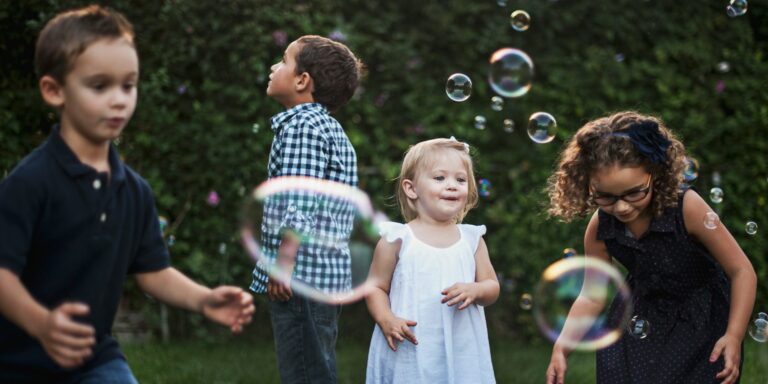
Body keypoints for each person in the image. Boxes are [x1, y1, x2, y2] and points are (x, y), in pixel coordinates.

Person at [0, 6, 254, 383]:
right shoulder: (31, 183)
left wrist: (203, 299)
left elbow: (153, 271)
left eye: (128, 85)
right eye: (100, 86)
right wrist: (42, 324)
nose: (119, 99)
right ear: (54, 91)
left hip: (95, 360)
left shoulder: (133, 190)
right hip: (18, 363)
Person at [544, 111, 757, 384]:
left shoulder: (686, 208)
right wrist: (562, 346)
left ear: (655, 174)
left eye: (634, 192)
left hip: (699, 319)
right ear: (587, 186)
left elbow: (741, 270)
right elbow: (591, 296)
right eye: (605, 196)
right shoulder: (600, 228)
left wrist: (734, 335)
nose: (621, 207)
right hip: (639, 317)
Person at [249, 35, 364, 383]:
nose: (273, 67)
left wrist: (283, 262)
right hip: (321, 275)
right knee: (316, 366)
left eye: (283, 60)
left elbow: (300, 200)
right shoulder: (328, 128)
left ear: (303, 80)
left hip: (300, 274)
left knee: (304, 372)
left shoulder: (303, 128)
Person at [365, 138, 499, 384]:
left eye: (460, 179)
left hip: (462, 347)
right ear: (411, 188)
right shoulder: (398, 238)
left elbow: (491, 286)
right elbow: (375, 287)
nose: (452, 186)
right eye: (439, 178)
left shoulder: (471, 239)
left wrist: (476, 289)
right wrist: (386, 319)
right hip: (410, 347)